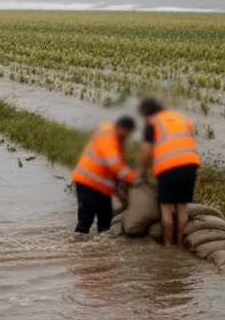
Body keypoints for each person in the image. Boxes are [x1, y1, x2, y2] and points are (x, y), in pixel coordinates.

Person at [136, 97, 200, 247]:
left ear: (146, 113)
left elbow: (146, 150)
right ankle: (180, 243)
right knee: (181, 207)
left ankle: (168, 245)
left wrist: (143, 172)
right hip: (190, 164)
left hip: (168, 167)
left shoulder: (152, 122)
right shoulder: (182, 118)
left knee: (166, 208)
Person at [72, 116, 137, 234]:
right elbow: (115, 165)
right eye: (127, 133)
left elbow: (116, 168)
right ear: (121, 128)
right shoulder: (108, 137)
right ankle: (79, 245)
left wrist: (118, 188)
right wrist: (134, 178)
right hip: (87, 183)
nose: (128, 136)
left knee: (106, 219)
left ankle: (101, 247)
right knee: (86, 219)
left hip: (102, 187)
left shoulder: (118, 140)